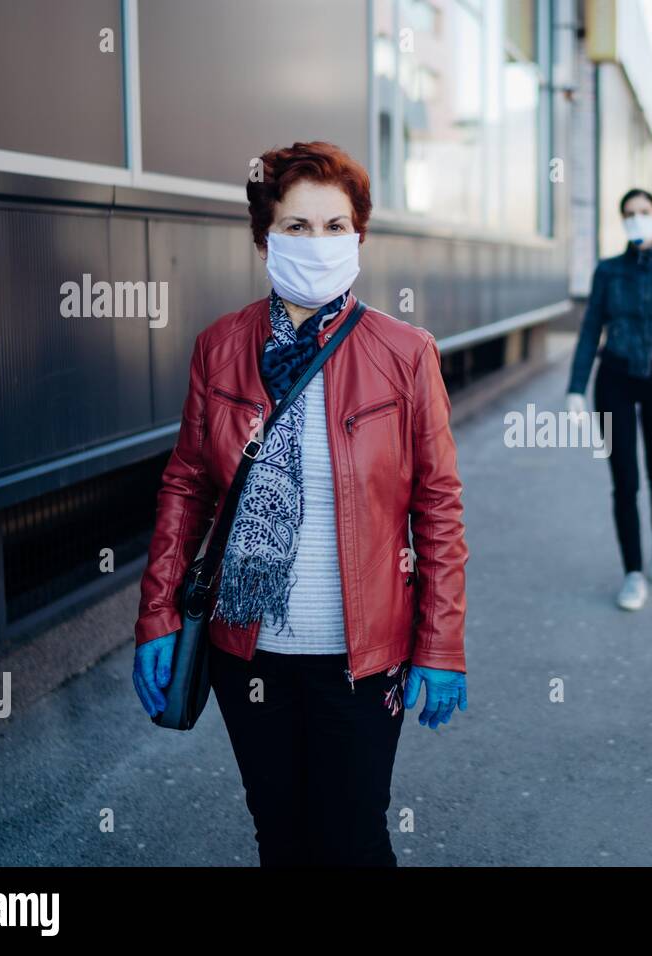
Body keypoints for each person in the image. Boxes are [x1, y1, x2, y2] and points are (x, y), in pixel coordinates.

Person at [131, 141, 468, 867]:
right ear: (263, 238)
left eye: (335, 226)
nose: (318, 243)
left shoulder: (405, 352)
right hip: (245, 651)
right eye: (296, 227)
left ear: (359, 237)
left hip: (363, 656)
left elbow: (437, 507)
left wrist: (440, 645)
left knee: (353, 838)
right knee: (280, 835)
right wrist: (157, 613)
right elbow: (186, 486)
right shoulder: (220, 347)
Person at [565, 188, 652, 611]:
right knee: (624, 481)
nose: (637, 219)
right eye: (629, 214)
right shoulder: (608, 271)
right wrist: (575, 386)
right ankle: (632, 574)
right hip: (616, 378)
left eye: (644, 212)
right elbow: (591, 330)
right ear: (622, 221)